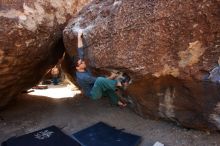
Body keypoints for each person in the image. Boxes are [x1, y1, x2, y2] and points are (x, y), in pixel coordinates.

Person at [74, 31, 127, 107]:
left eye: (82, 60)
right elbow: (99, 81)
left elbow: (80, 50)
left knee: (108, 88)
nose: (83, 61)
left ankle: (118, 103)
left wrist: (79, 37)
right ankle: (120, 83)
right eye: (81, 62)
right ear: (77, 67)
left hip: (96, 88)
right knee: (100, 80)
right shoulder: (83, 77)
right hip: (93, 94)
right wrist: (112, 77)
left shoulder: (81, 68)